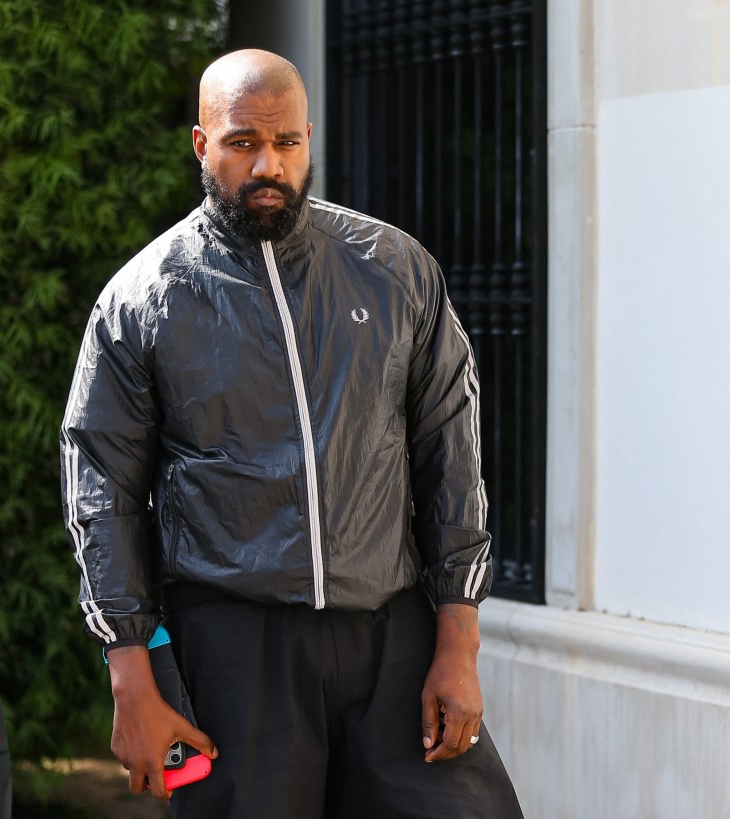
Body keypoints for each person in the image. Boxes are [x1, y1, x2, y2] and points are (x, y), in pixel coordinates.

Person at [60, 48, 523, 818]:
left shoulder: (396, 268)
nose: (268, 164)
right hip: (236, 648)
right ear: (202, 144)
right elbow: (101, 489)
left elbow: (451, 452)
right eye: (243, 142)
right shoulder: (141, 300)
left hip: (391, 634)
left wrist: (458, 642)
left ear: (309, 136)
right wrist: (129, 672)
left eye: (287, 143)